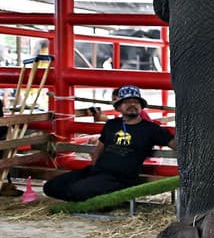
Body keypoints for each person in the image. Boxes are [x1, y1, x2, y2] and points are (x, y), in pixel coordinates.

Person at [43, 85, 175, 202]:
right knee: (50, 187)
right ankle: (98, 198)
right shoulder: (112, 124)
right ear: (118, 107)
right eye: (127, 102)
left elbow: (174, 143)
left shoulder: (151, 129)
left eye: (136, 102)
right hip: (98, 172)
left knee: (77, 191)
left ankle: (106, 200)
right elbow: (99, 149)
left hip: (121, 178)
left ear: (141, 107)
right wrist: (95, 168)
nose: (132, 105)